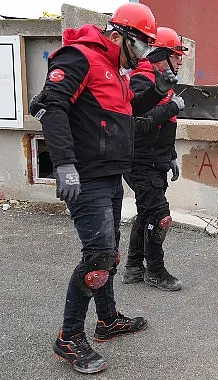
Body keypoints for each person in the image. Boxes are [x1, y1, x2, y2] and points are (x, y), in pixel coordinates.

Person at [28, 3, 178, 374]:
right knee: (97, 256)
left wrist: (157, 90)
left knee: (108, 255)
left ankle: (107, 320)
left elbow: (127, 114)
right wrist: (63, 163)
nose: (143, 55)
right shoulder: (78, 57)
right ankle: (69, 337)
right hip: (86, 174)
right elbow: (53, 105)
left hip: (110, 174)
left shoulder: (114, 70)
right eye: (141, 46)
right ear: (118, 36)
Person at [121, 27, 189, 291]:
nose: (181, 60)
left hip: (155, 161)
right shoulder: (141, 80)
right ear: (161, 56)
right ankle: (156, 272)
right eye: (176, 54)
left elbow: (164, 127)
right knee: (160, 216)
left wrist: (170, 156)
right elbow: (138, 124)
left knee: (146, 213)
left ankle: (133, 268)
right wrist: (172, 107)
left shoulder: (163, 82)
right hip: (140, 162)